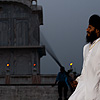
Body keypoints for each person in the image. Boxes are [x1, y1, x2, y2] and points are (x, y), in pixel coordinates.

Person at [68, 14, 100, 100]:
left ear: (97, 30)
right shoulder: (86, 48)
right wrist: (77, 81)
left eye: (90, 28)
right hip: (83, 90)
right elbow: (85, 71)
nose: (87, 30)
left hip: (96, 92)